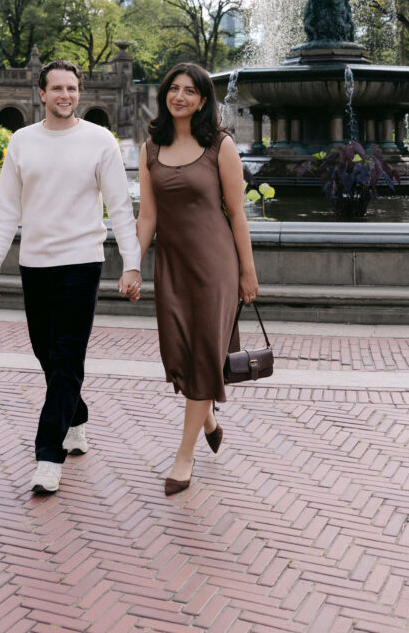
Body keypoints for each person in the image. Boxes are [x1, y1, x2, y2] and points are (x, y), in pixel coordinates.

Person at [0, 60, 142, 494]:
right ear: (42, 93)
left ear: (79, 93)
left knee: (67, 356)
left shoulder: (99, 140)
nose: (65, 95)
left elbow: (119, 207)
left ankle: (48, 456)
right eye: (56, 88)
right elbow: (6, 209)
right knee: (46, 353)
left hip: (81, 261)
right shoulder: (22, 142)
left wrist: (132, 262)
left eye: (71, 88)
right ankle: (77, 415)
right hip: (35, 263)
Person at [136, 62, 259, 496]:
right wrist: (134, 263)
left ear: (203, 100)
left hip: (216, 267)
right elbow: (147, 215)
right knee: (180, 349)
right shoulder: (151, 148)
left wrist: (247, 270)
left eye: (190, 91)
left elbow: (237, 212)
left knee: (205, 350)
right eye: (174, 88)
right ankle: (206, 416)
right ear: (165, 95)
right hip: (171, 265)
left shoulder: (220, 146)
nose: (180, 96)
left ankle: (184, 454)